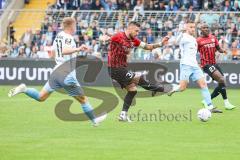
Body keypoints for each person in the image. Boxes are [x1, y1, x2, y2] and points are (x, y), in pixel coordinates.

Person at [8, 17, 107, 126]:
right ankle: (94, 120)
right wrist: (78, 49)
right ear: (71, 26)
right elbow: (65, 51)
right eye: (75, 25)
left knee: (41, 97)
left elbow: (54, 53)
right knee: (83, 99)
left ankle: (24, 89)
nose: (76, 27)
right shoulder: (69, 37)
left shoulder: (59, 36)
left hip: (56, 72)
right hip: (66, 74)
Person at [101, 21, 177, 122]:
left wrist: (161, 44)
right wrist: (103, 39)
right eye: (136, 31)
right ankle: (164, 89)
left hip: (121, 68)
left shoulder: (133, 40)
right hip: (115, 68)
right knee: (139, 79)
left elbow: (147, 47)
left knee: (132, 90)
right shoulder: (118, 36)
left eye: (138, 31)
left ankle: (123, 115)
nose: (137, 33)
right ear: (130, 28)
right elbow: (105, 38)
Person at [168, 20, 221, 113]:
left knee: (203, 84)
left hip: (195, 65)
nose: (193, 29)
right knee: (182, 88)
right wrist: (181, 32)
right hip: (186, 65)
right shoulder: (183, 37)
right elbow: (176, 42)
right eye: (190, 27)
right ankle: (172, 88)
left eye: (193, 27)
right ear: (186, 27)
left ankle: (210, 107)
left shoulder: (193, 38)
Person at [197, 24, 236, 110]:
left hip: (214, 63)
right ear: (201, 30)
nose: (206, 29)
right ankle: (209, 100)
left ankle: (226, 103)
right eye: (204, 28)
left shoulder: (213, 38)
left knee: (222, 83)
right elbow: (193, 52)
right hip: (206, 65)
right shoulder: (198, 41)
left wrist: (224, 51)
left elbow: (218, 48)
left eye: (207, 27)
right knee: (222, 80)